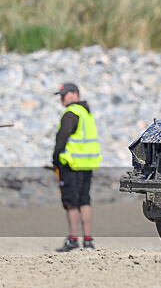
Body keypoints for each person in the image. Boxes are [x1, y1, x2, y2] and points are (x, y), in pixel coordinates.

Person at [52, 83, 102, 252]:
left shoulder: (71, 113)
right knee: (84, 201)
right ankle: (88, 239)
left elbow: (62, 137)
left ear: (75, 94)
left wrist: (55, 158)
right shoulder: (86, 112)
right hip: (87, 163)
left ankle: (73, 239)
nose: (62, 97)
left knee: (71, 203)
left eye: (65, 94)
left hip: (71, 164)